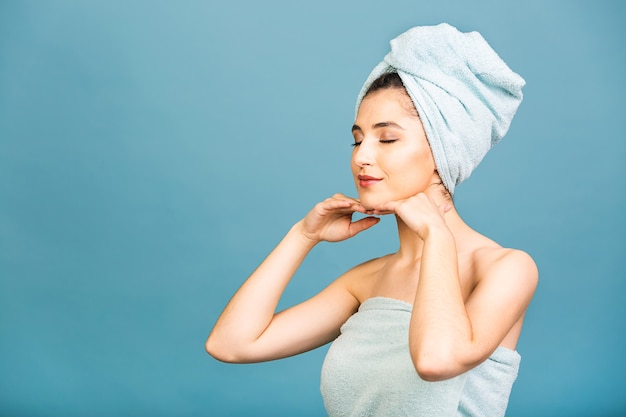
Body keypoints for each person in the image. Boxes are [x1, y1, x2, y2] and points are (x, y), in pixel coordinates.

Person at [206, 23, 538, 416]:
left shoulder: (506, 268)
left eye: (387, 138)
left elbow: (436, 361)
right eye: (357, 138)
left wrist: (438, 238)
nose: (362, 156)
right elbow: (231, 344)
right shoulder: (366, 281)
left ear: (443, 151)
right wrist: (302, 235)